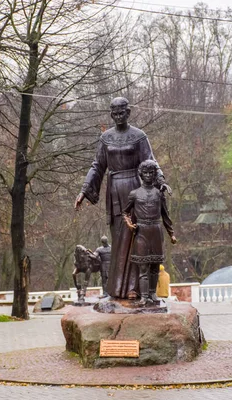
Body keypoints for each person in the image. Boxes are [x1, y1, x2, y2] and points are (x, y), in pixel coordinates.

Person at [75, 97, 171, 299]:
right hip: (115, 190)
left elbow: (151, 161)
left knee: (135, 239)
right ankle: (116, 289)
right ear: (112, 114)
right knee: (118, 238)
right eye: (115, 113)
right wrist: (84, 190)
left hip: (135, 189)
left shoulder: (139, 136)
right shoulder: (106, 138)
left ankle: (135, 289)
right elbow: (97, 166)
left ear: (128, 113)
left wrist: (161, 181)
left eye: (122, 113)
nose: (119, 116)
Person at [122, 160, 177, 306]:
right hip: (141, 231)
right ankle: (144, 296)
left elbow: (165, 215)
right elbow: (125, 212)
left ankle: (153, 293)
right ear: (141, 174)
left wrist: (171, 233)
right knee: (143, 266)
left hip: (156, 230)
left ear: (154, 175)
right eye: (145, 172)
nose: (148, 175)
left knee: (155, 265)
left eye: (151, 173)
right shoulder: (134, 194)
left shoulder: (159, 194)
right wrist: (128, 223)